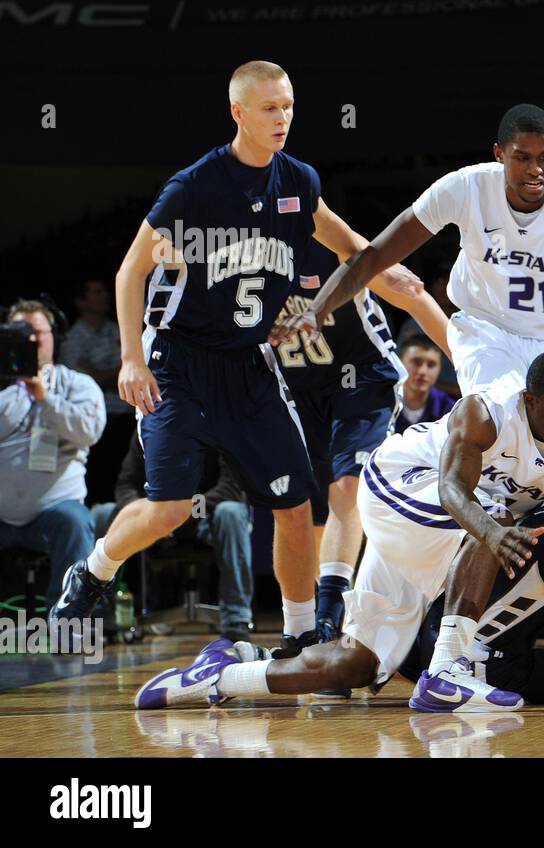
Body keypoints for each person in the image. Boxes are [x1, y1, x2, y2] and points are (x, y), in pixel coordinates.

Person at [49, 60, 429, 658]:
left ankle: (301, 633)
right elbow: (129, 272)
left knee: (295, 504)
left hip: (249, 365)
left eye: (289, 106)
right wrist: (130, 359)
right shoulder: (194, 186)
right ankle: (94, 570)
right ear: (239, 113)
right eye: (270, 108)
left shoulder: (298, 181)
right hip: (179, 360)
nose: (283, 119)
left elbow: (349, 246)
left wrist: (388, 267)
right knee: (170, 509)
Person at [133, 448, 544, 710]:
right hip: (454, 629)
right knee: (352, 667)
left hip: (489, 637)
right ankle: (229, 673)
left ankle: (253, 659)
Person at [270, 103, 544, 432]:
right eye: (523, 158)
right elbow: (374, 255)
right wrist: (317, 308)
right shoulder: (465, 188)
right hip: (487, 330)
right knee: (499, 426)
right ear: (499, 154)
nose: (536, 170)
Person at [278, 238, 448, 646]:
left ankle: (330, 614)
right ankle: (301, 627)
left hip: (363, 380)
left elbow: (413, 298)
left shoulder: (332, 242)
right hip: (297, 386)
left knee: (349, 486)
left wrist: (469, 357)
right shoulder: (240, 258)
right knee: (301, 510)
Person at [90, 437, 254, 642]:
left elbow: (230, 487)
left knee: (231, 513)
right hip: (154, 516)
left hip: (204, 515)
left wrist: (179, 514)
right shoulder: (151, 422)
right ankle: (101, 617)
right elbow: (126, 485)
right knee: (103, 514)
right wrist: (148, 515)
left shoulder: (217, 419)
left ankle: (236, 617)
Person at [0, 299, 105, 610]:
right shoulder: (3, 392)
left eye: (35, 331)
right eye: (19, 333)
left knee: (74, 521)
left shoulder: (78, 385)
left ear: (53, 337)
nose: (29, 340)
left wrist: (44, 398)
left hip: (54, 511)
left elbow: (89, 430)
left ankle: (70, 625)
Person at [58, 279, 134, 505]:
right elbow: (83, 384)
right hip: (100, 422)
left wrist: (101, 372)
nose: (106, 296)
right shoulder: (72, 339)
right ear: (81, 302)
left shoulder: (118, 330)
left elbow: (134, 368)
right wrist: (115, 373)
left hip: (129, 415)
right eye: (97, 292)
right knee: (102, 483)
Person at [394, 334, 457, 433]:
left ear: (440, 368)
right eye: (416, 362)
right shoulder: (382, 402)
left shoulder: (450, 409)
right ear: (400, 363)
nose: (423, 371)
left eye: (431, 365)